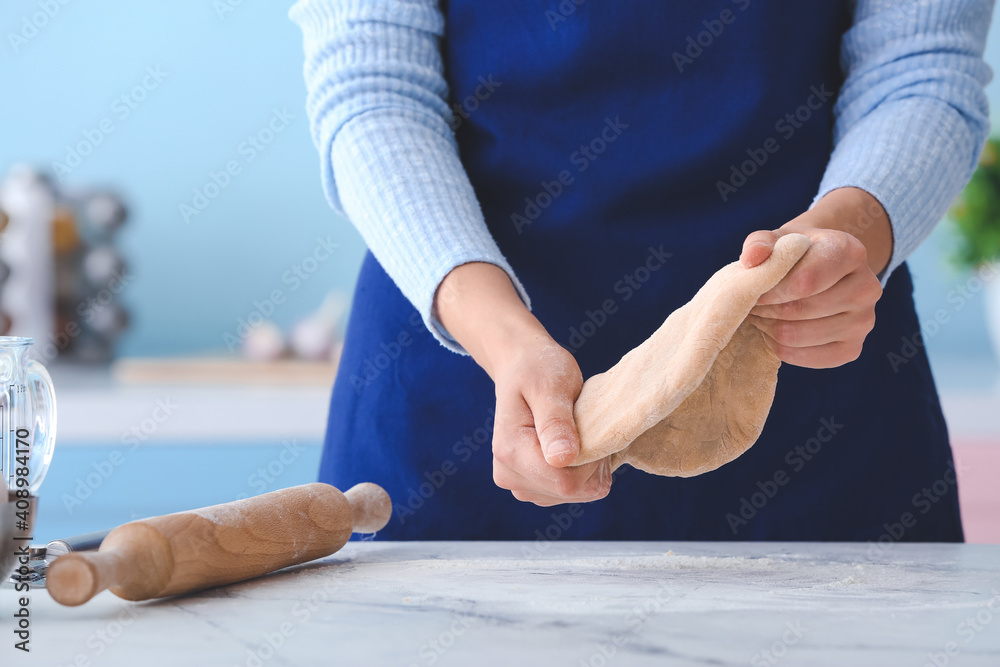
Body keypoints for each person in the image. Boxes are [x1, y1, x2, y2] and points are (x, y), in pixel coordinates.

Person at [290, 0, 993, 541]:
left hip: (814, 391)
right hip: (465, 392)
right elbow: (372, 83)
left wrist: (844, 237)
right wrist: (505, 339)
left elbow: (921, 67)